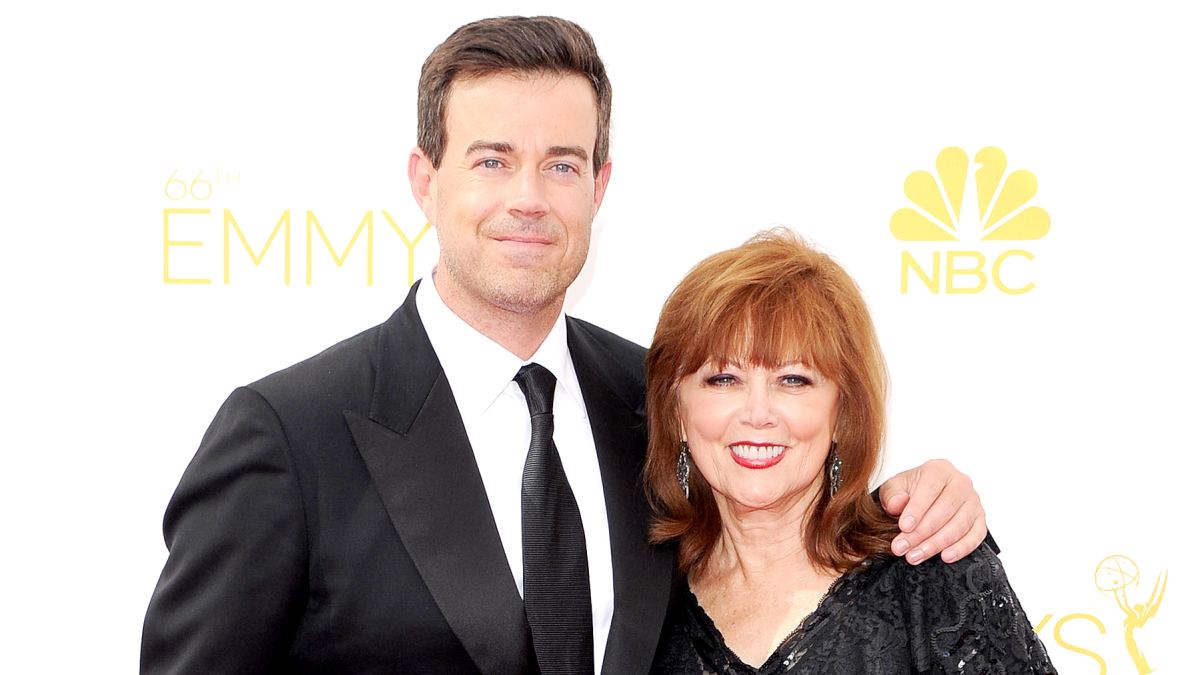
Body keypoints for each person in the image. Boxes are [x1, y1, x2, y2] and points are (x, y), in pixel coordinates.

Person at [142, 16, 990, 675]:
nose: (529, 198)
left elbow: (779, 523)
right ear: (424, 181)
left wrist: (919, 498)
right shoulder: (288, 434)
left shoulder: (656, 400)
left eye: (561, 164)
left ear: (599, 185)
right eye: (491, 160)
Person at [646, 230, 1054, 673]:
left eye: (793, 380)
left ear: (843, 413)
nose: (758, 413)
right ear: (677, 411)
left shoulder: (933, 575)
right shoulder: (641, 604)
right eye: (724, 379)